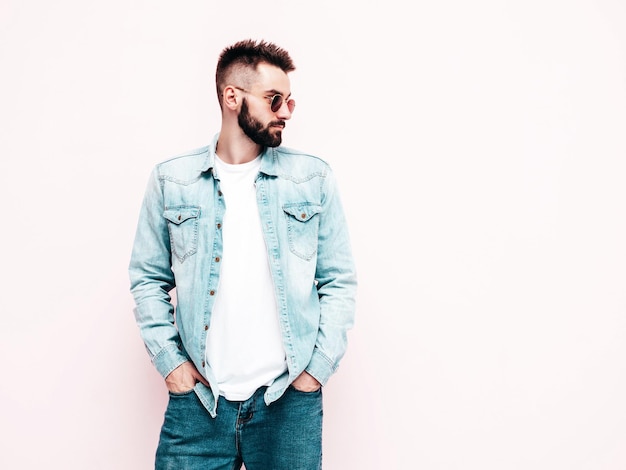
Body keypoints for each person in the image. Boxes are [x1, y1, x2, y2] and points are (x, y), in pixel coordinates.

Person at [128, 38, 357, 469]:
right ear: (232, 97)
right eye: (274, 100)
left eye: (290, 101)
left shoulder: (312, 178)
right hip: (199, 402)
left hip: (287, 401)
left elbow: (339, 282)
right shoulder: (172, 180)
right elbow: (147, 278)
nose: (285, 112)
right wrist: (170, 362)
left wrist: (316, 371)